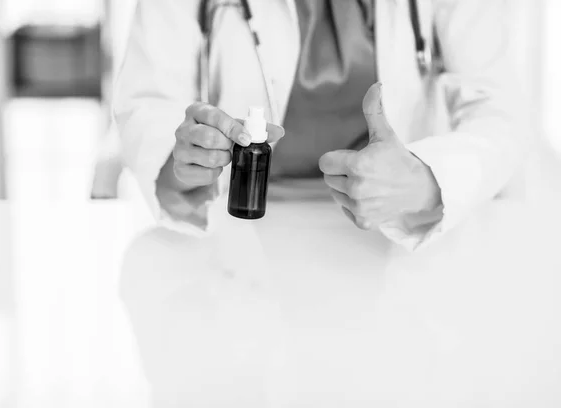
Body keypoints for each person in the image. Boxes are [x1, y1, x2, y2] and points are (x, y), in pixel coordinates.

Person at [114, 0, 539, 406]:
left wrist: (426, 180)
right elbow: (149, 104)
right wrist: (186, 162)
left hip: (396, 242)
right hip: (237, 243)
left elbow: (500, 111)